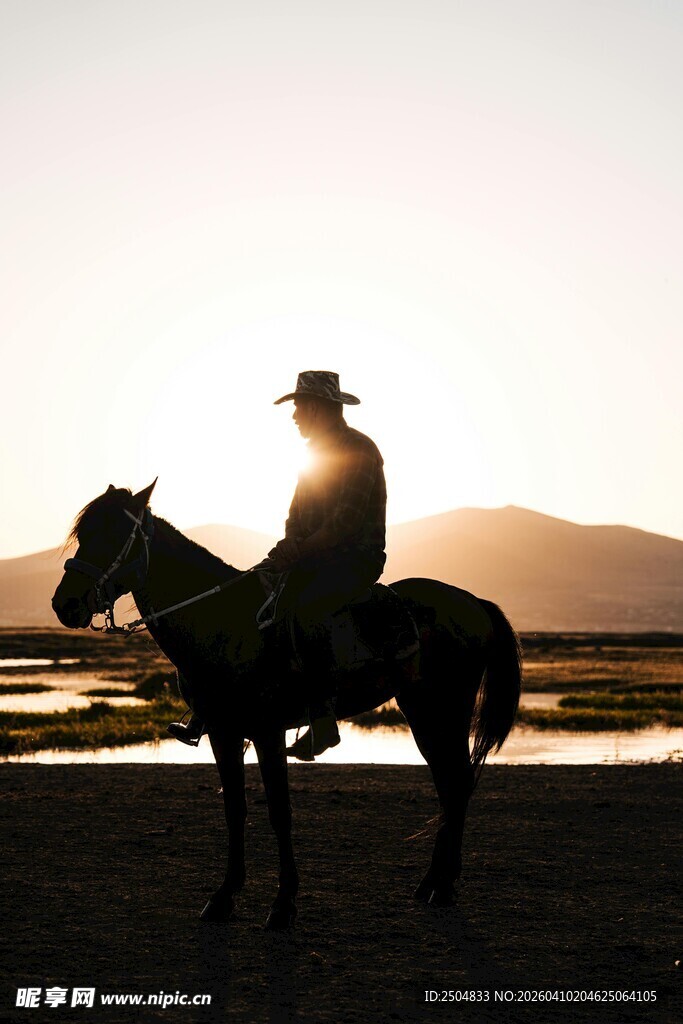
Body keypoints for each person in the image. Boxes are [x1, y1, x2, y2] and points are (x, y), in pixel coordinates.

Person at [168, 370, 387, 759]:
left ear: (319, 408)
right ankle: (212, 708)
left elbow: (345, 524)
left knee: (306, 609)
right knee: (247, 601)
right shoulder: (313, 455)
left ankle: (322, 720)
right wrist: (288, 544)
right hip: (311, 557)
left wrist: (298, 550)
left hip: (354, 559)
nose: (295, 416)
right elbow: (295, 515)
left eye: (299, 407)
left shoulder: (359, 450)